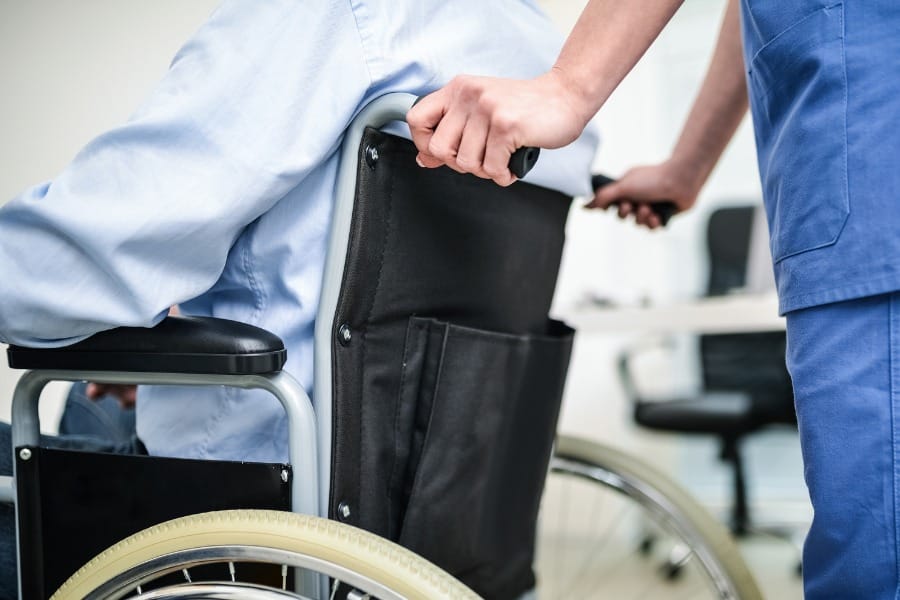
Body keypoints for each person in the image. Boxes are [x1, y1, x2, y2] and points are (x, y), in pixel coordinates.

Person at [0, 2, 599, 597]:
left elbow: (87, 257)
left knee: (60, 407)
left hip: (253, 535)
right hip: (431, 533)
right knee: (87, 398)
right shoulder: (541, 56)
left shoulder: (345, 17)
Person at [409, 1, 900, 598]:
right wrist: (686, 167)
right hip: (859, 196)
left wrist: (566, 89)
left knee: (874, 572)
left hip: (875, 188)